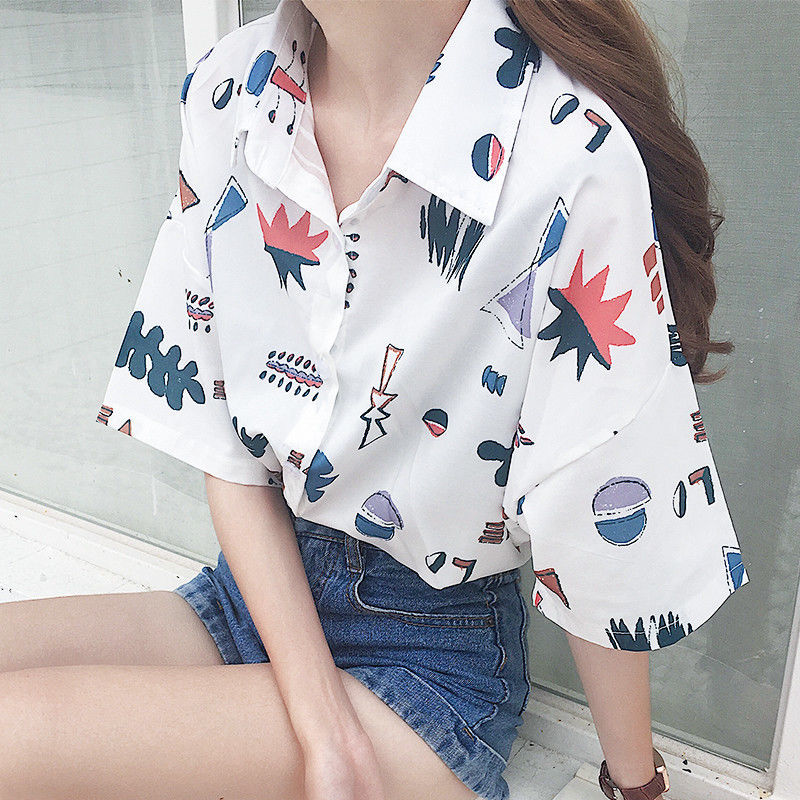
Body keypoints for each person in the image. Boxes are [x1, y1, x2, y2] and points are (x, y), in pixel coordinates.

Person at [1, 1, 750, 799]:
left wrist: (635, 784)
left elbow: (596, 510)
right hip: (261, 592)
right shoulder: (233, 90)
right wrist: (321, 724)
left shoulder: (568, 153)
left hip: (430, 660)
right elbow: (226, 443)